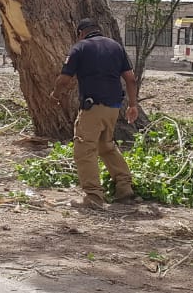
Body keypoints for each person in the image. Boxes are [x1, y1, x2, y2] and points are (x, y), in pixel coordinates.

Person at [51, 18, 139, 209]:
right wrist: (133, 105)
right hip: (114, 107)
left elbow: (64, 79)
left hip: (92, 107)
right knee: (106, 146)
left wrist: (56, 95)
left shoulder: (80, 48)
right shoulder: (116, 47)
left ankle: (93, 196)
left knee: (84, 149)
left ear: (80, 33)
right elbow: (131, 79)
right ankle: (124, 187)